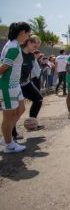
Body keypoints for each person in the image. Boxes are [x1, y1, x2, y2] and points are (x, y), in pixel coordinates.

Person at [0, 22, 31, 153]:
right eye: (28, 33)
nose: (28, 36)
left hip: (14, 84)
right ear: (22, 32)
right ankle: (9, 145)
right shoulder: (12, 47)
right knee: (8, 116)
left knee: (21, 108)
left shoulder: (14, 45)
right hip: (7, 85)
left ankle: (5, 137)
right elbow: (3, 68)